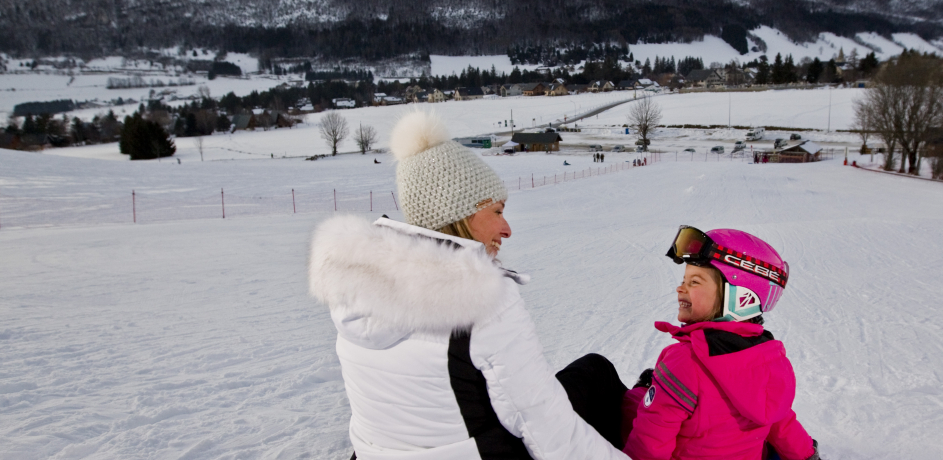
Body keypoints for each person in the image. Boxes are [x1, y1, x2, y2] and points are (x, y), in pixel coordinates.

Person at [309, 110, 629, 460]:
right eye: (497, 211)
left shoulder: (356, 287)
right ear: (460, 213)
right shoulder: (482, 300)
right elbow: (546, 427)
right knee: (596, 374)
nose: (507, 229)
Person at [622, 226, 820, 460]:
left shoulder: (686, 361)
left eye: (695, 282)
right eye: (684, 279)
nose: (680, 288)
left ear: (741, 298)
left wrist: (645, 392)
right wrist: (808, 455)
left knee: (594, 371)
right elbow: (781, 421)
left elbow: (648, 445)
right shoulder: (768, 358)